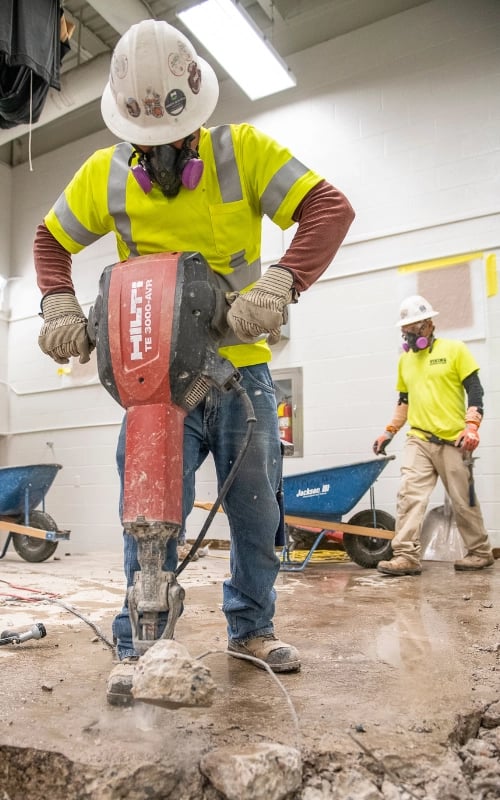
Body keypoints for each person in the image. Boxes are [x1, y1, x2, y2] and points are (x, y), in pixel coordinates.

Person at [33, 19, 355, 699]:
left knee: (257, 512)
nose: (156, 155)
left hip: (241, 368)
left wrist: (280, 283)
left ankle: (250, 628)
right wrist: (59, 305)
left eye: (170, 142)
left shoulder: (243, 152)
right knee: (147, 512)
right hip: (155, 379)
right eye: (142, 143)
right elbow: (49, 239)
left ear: (195, 117)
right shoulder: (104, 174)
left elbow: (328, 208)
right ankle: (143, 640)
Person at [373, 294, 494, 577]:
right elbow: (404, 402)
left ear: (428, 326)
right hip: (419, 439)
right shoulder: (405, 361)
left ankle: (480, 552)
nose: (409, 335)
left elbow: (476, 392)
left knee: (463, 501)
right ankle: (406, 556)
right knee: (409, 495)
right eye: (405, 330)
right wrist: (388, 432)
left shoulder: (455, 350)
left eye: (413, 329)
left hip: (454, 440)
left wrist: (472, 426)